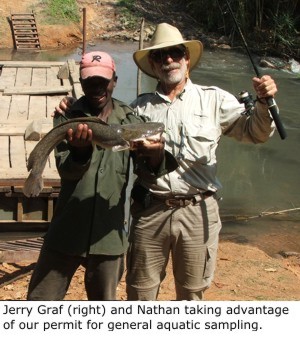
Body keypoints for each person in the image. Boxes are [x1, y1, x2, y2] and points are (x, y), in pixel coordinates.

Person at [55, 23, 279, 301]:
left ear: (186, 58)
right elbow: (106, 124)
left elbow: (255, 133)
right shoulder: (137, 108)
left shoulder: (214, 99)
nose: (169, 60)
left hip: (198, 210)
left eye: (174, 53)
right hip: (150, 210)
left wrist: (264, 102)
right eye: (161, 56)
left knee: (192, 293)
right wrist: (74, 108)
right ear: (153, 63)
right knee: (140, 293)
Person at [27, 51, 171, 300]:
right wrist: (80, 153)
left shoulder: (130, 118)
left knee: (104, 309)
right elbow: (66, 170)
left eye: (103, 82)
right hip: (67, 230)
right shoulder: (67, 115)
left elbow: (147, 176)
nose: (97, 88)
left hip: (109, 234)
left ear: (114, 81)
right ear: (81, 83)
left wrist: (156, 155)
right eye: (90, 82)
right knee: (40, 303)